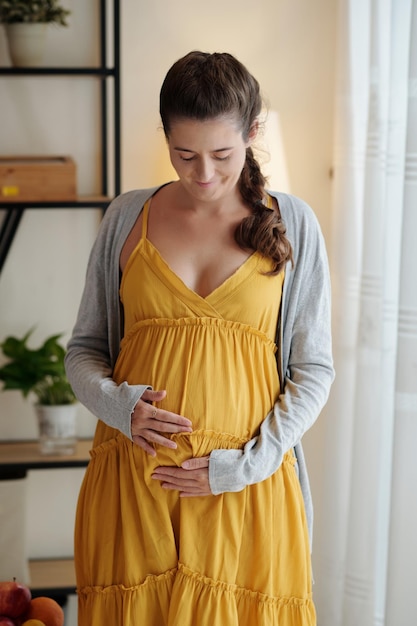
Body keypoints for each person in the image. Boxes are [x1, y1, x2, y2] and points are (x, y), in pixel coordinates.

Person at [65, 50, 334, 626]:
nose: (204, 174)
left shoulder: (292, 224)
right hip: (134, 488)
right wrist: (119, 406)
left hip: (245, 492)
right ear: (165, 138)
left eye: (222, 155)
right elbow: (84, 350)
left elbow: (314, 371)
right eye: (185, 155)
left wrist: (245, 465)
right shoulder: (127, 216)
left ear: (253, 133)